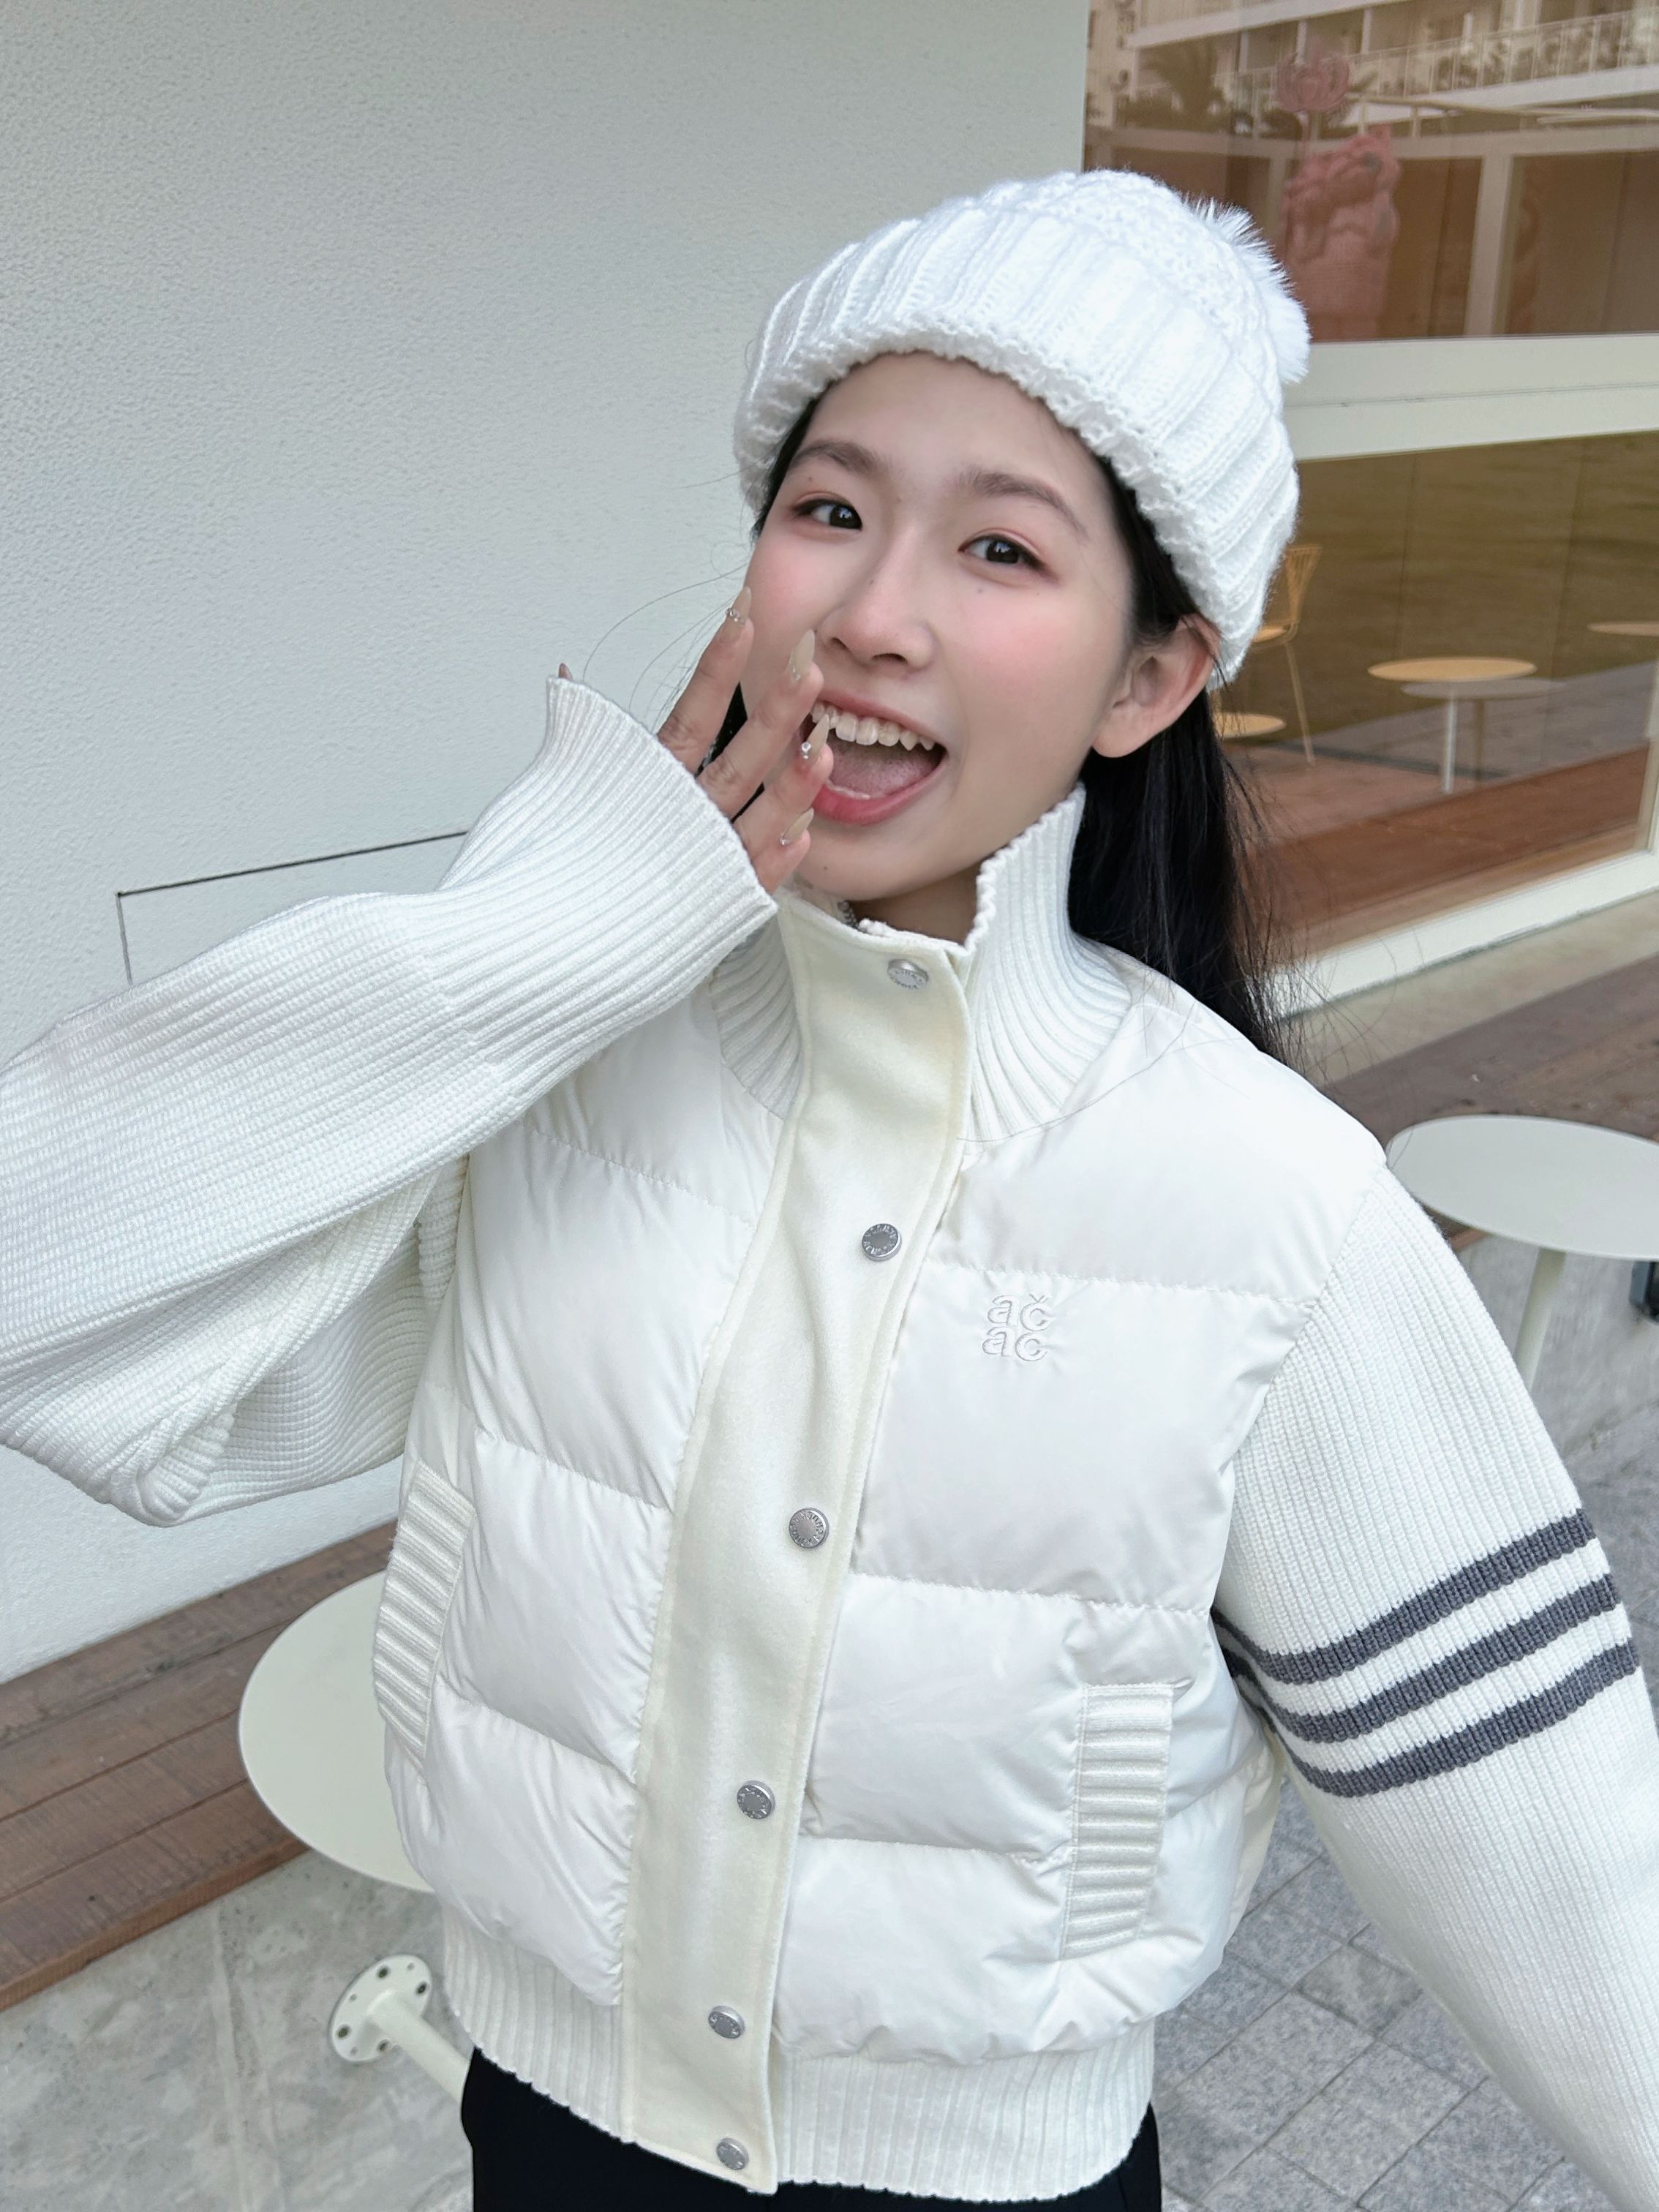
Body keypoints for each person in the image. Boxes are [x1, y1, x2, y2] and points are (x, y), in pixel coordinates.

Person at [3, 169, 1658, 2211]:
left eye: (998, 545)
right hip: (552, 2136)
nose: (873, 612)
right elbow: (44, 1304)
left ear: (1148, 680)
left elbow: (1544, 1825)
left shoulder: (1267, 1204)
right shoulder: (553, 1069)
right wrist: (557, 927)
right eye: (828, 508)